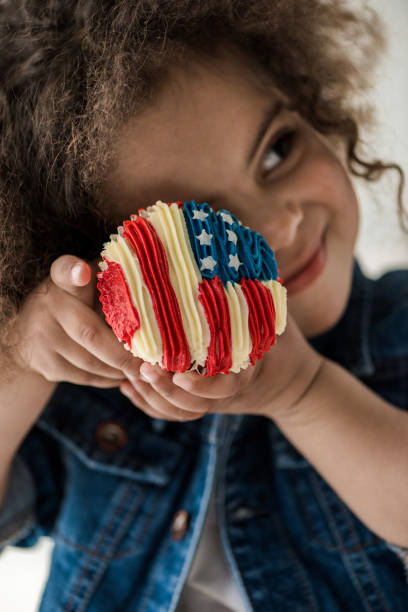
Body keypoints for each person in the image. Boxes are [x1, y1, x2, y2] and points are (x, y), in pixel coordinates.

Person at [1, 0, 408, 610]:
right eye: (204, 232)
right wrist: (23, 363)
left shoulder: (399, 331)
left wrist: (302, 389)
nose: (282, 223)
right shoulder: (83, 400)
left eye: (278, 149)